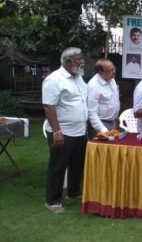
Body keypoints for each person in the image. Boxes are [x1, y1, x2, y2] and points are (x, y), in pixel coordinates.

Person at [42, 47, 88, 214]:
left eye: (82, 58)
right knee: (58, 166)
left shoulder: (78, 77)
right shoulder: (54, 79)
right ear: (68, 61)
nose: (83, 61)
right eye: (79, 59)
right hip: (63, 131)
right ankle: (52, 200)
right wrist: (56, 132)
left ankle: (74, 192)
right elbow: (48, 106)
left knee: (77, 164)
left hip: (80, 131)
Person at [87, 58, 120, 139]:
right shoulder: (94, 86)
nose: (114, 72)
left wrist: (115, 117)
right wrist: (103, 130)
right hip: (100, 125)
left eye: (114, 68)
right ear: (101, 72)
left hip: (112, 123)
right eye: (110, 70)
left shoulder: (111, 79)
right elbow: (92, 112)